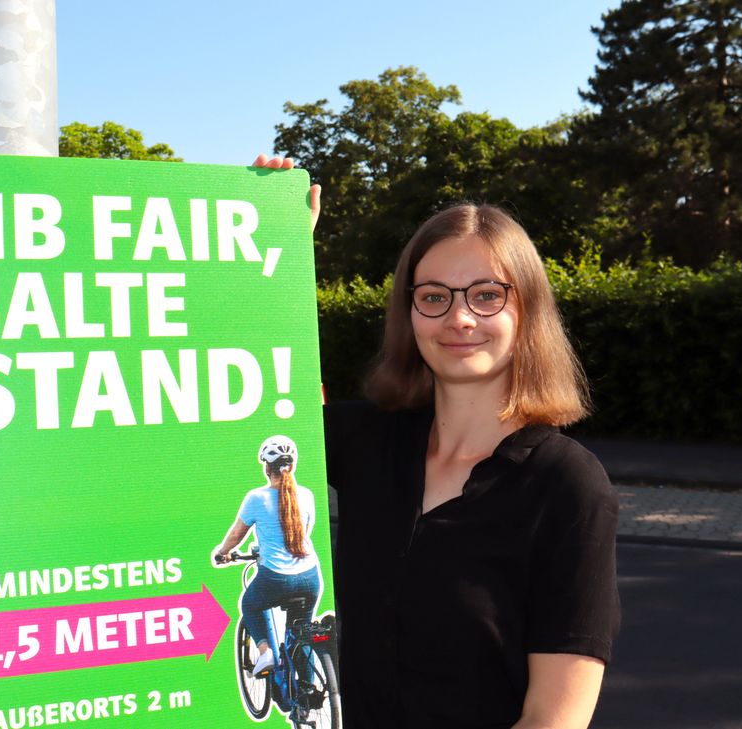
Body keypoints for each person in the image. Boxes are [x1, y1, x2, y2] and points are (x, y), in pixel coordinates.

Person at [254, 155, 620, 729]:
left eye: (486, 294)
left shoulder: (566, 485)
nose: (460, 318)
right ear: (410, 313)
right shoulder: (365, 440)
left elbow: (554, 719)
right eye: (434, 296)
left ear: (526, 309)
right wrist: (267, 245)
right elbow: (244, 402)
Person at [214, 435, 323, 675]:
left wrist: (223, 553)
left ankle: (265, 653)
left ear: (266, 467)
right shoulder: (306, 495)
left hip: (276, 579)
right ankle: (305, 701)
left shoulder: (257, 498)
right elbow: (304, 532)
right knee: (301, 633)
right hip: (310, 577)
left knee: (250, 604)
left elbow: (236, 535)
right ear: (292, 465)